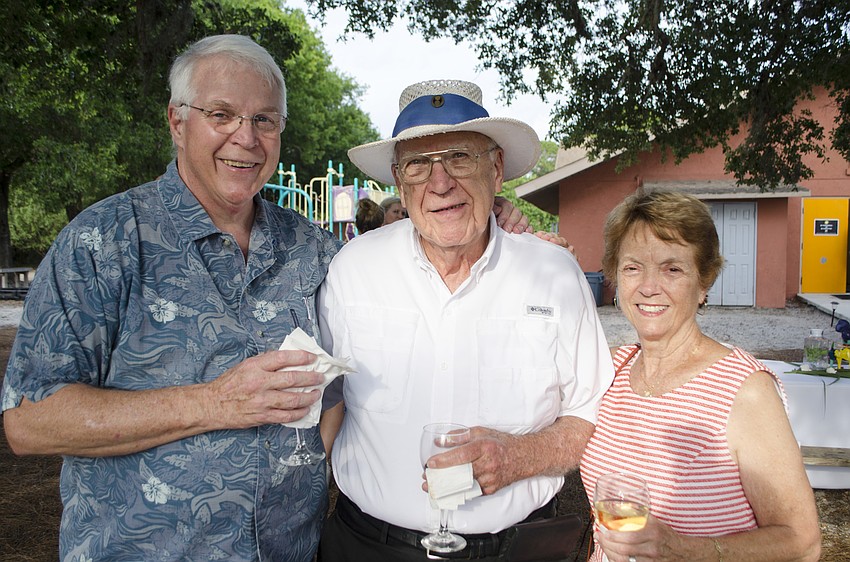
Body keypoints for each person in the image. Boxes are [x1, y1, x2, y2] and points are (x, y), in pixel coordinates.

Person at [0, 36, 532, 562]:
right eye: (222, 114)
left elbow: (404, 278)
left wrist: (490, 216)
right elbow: (27, 420)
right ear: (176, 122)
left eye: (264, 120)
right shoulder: (104, 241)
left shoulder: (315, 250)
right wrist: (212, 403)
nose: (245, 138)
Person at [317, 79, 615, 561]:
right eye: (418, 164)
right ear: (399, 182)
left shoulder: (554, 272)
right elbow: (326, 398)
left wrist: (520, 457)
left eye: (459, 157)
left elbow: (590, 412)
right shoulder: (352, 267)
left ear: (495, 170)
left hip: (515, 549)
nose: (440, 183)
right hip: (369, 546)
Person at [579, 189, 821, 562]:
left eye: (672, 268)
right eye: (632, 268)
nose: (648, 286)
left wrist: (682, 550)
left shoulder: (744, 390)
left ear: (704, 283)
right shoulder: (608, 369)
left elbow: (802, 543)